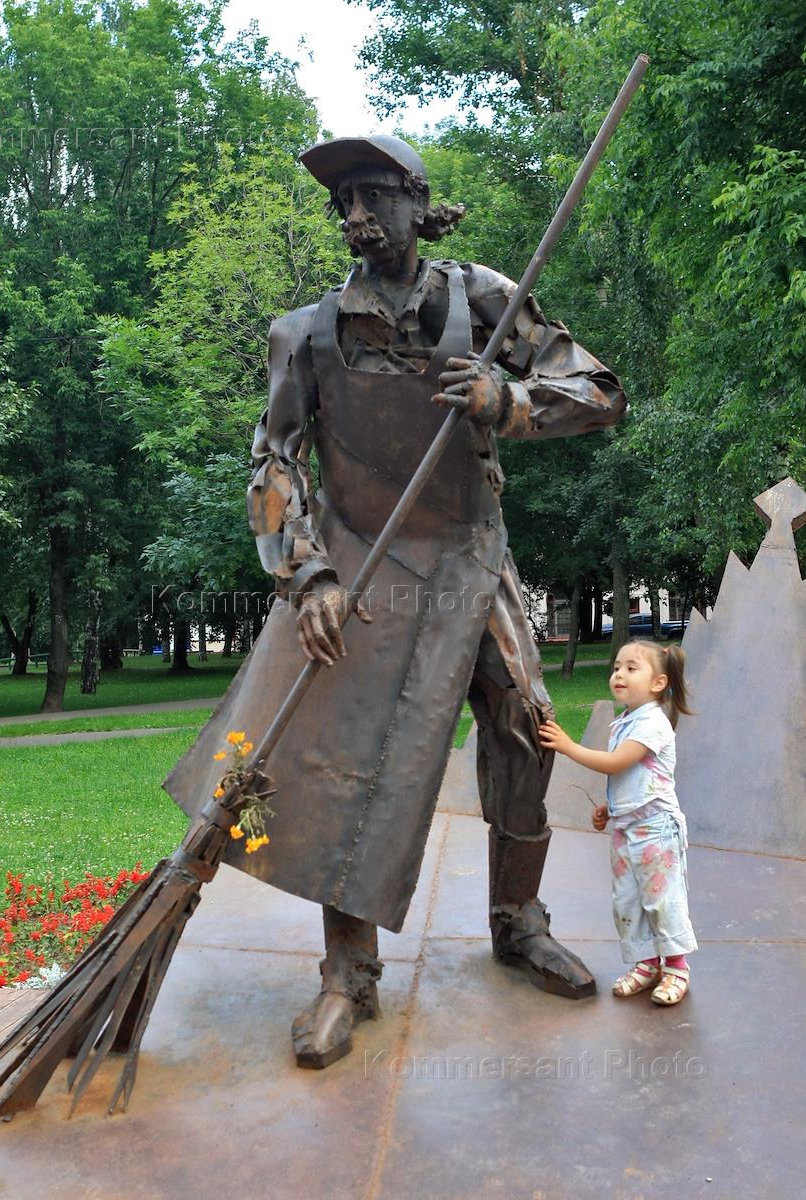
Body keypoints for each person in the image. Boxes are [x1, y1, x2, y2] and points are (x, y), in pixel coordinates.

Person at [166, 134, 627, 1068]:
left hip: (466, 558)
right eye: (344, 203)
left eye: (374, 194)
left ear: (420, 202)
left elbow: (600, 391)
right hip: (359, 566)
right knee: (346, 761)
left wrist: (509, 401)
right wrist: (307, 574)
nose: (357, 216)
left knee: (525, 724)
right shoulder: (305, 333)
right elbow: (275, 460)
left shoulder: (484, 299)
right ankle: (347, 976)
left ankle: (518, 920)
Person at [538, 640, 698, 1005]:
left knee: (661, 900)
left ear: (658, 683)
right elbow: (633, 780)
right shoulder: (626, 720)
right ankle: (646, 964)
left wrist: (568, 746)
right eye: (616, 668)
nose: (619, 674)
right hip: (627, 829)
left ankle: (676, 967)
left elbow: (616, 764)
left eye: (630, 668)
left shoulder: (654, 722)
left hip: (656, 830)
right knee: (628, 901)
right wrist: (610, 809)